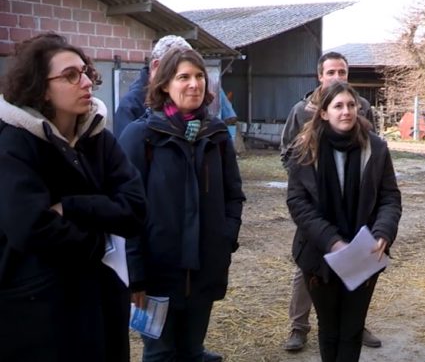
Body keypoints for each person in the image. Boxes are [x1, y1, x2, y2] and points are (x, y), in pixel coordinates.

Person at [0, 32, 146, 361]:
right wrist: (100, 241)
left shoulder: (100, 140)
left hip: (103, 299)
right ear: (40, 88)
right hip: (40, 310)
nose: (85, 82)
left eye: (85, 72)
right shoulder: (14, 143)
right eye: (70, 75)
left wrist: (71, 206)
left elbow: (135, 209)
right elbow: (31, 227)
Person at [118, 47, 245, 361]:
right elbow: (125, 210)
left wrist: (225, 236)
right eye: (183, 77)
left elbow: (234, 194)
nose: (194, 84)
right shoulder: (141, 137)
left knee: (192, 351)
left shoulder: (215, 135)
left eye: (199, 76)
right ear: (164, 85)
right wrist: (136, 275)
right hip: (156, 276)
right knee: (160, 353)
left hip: (204, 270)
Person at [285, 82, 401, 362]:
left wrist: (383, 231)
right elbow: (297, 203)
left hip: (365, 253)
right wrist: (333, 241)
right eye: (338, 106)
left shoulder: (375, 148)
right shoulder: (305, 148)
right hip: (319, 254)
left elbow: (389, 197)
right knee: (329, 329)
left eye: (351, 105)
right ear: (324, 113)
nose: (346, 111)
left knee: (352, 329)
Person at [280, 51, 381, 351]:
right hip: (315, 208)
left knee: (357, 268)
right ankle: (299, 327)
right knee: (310, 268)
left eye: (342, 72)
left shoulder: (362, 107)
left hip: (353, 205)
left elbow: (371, 150)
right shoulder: (300, 110)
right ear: (320, 76)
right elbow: (288, 149)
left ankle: (355, 324)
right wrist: (305, 176)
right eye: (331, 72)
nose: (337, 78)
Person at [113, 35, 192, 138]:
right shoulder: (131, 105)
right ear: (156, 66)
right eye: (176, 70)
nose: (190, 83)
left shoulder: (189, 98)